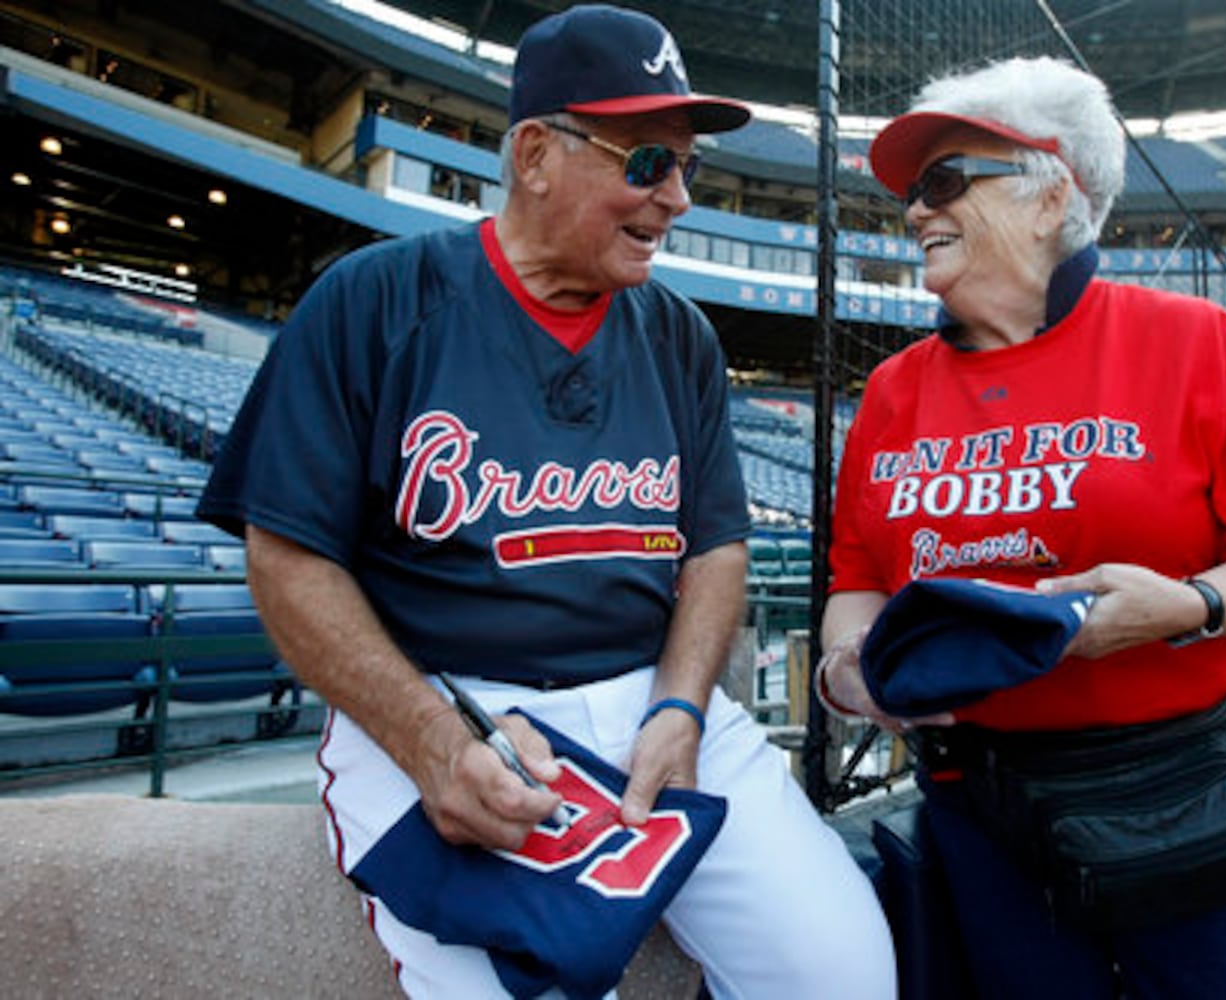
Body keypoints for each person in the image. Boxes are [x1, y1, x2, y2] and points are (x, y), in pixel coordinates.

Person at [196, 5, 897, 998]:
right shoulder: (374, 299)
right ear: (533, 154)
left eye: (685, 168)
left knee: (846, 975)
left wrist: (680, 705)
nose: (679, 197)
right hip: (449, 702)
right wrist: (430, 739)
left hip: (651, 701)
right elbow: (287, 556)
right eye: (649, 161)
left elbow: (712, 548)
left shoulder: (679, 335)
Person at [818, 55, 1226, 997]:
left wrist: (1190, 606)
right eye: (916, 191)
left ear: (1053, 196)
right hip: (975, 799)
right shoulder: (892, 388)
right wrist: (849, 669)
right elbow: (858, 579)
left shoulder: (1192, 339)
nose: (916, 210)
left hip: (1181, 789)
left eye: (946, 180)